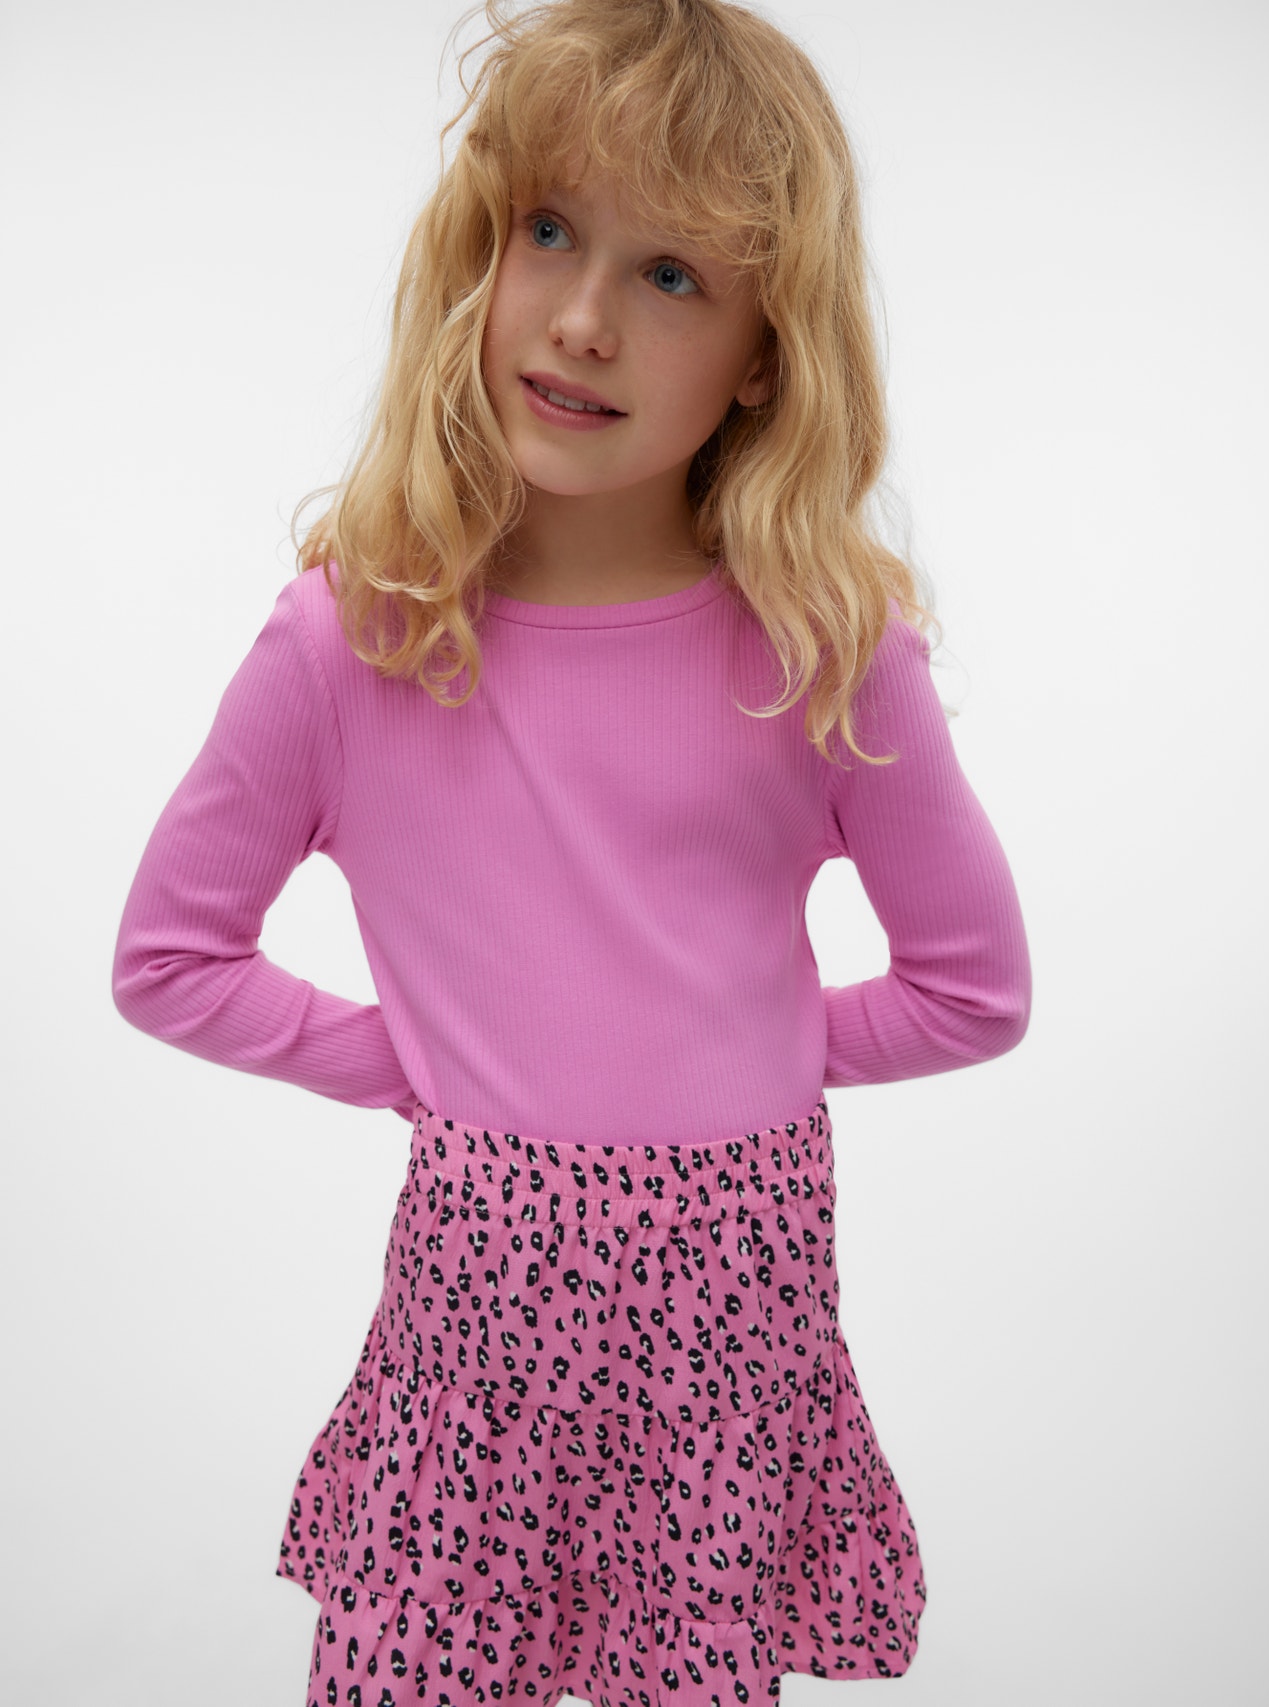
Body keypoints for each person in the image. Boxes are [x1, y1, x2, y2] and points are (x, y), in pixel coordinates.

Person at [112, 0, 1032, 1700]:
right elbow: (169, 961)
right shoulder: (355, 642)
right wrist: (416, 1063)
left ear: (765, 353)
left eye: (671, 273)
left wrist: (735, 1048)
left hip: (731, 1318)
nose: (586, 319)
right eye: (549, 232)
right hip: (476, 1329)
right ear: (482, 252)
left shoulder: (827, 655)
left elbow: (974, 993)